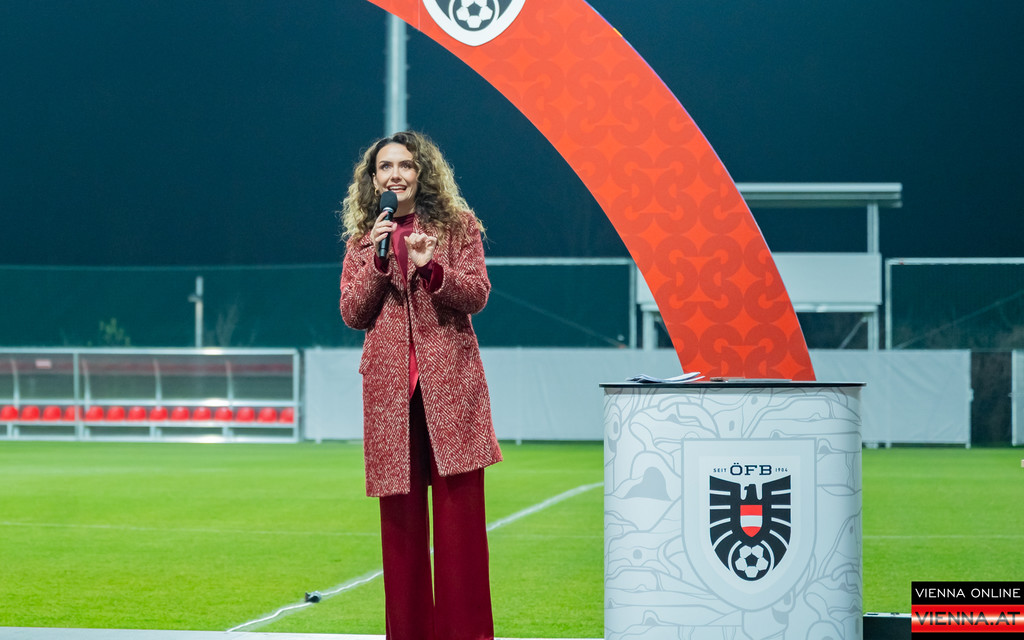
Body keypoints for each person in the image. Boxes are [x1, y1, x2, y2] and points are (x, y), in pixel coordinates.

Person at [338, 130, 502, 640]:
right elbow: (352, 313)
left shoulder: (457, 226)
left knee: (461, 533)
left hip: (451, 390)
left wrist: (433, 267)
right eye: (385, 167)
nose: (395, 175)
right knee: (401, 536)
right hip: (391, 397)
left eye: (405, 165)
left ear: (421, 172)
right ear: (373, 181)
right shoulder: (364, 240)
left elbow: (477, 294)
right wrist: (379, 260)